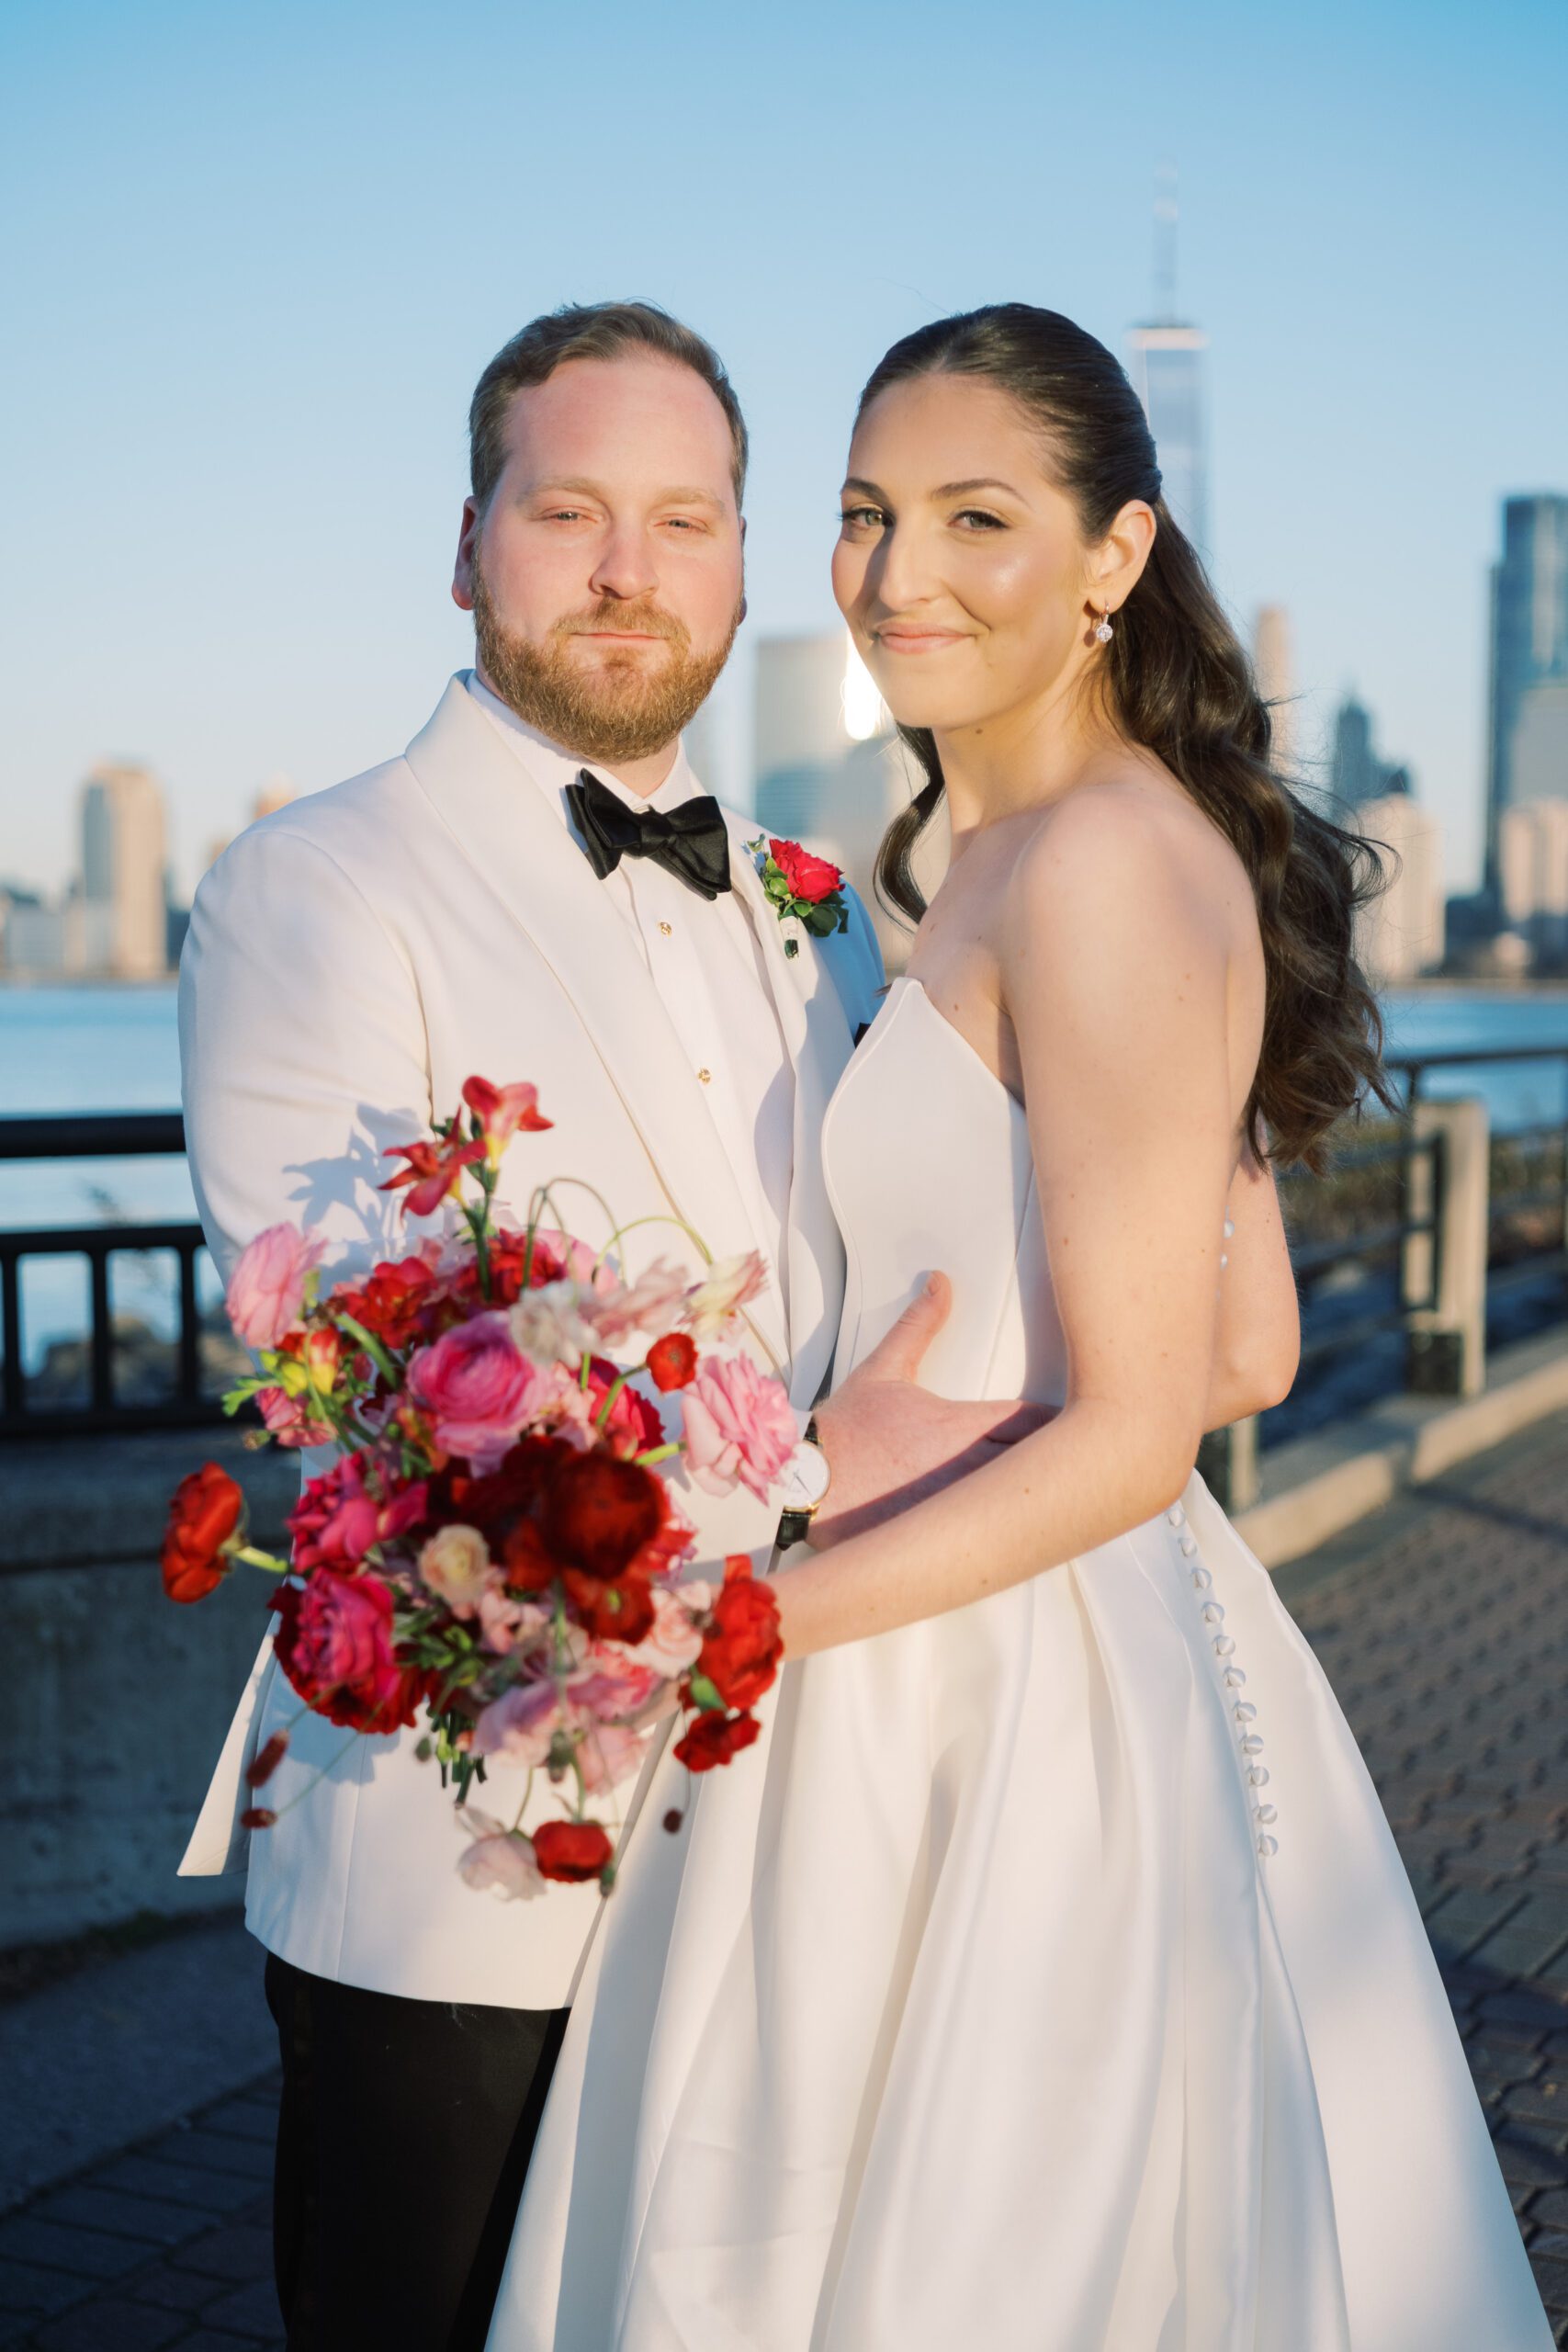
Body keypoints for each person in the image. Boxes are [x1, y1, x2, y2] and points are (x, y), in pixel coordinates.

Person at [489, 306, 1552, 2349]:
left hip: (972, 1677)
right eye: (865, 514)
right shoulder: (1016, 852)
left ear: (1110, 556)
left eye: (975, 516)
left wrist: (739, 1620)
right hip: (963, 1611)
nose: (895, 577)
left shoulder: (1092, 870)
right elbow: (1245, 1352)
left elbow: (1147, 1425)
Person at [176, 300, 1049, 2350]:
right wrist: (850, 1466)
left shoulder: (818, 901)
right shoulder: (310, 886)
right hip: (461, 1851)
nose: (626, 569)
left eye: (684, 517)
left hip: (786, 1826)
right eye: (566, 507)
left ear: (747, 562)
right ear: (466, 542)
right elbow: (387, 1396)